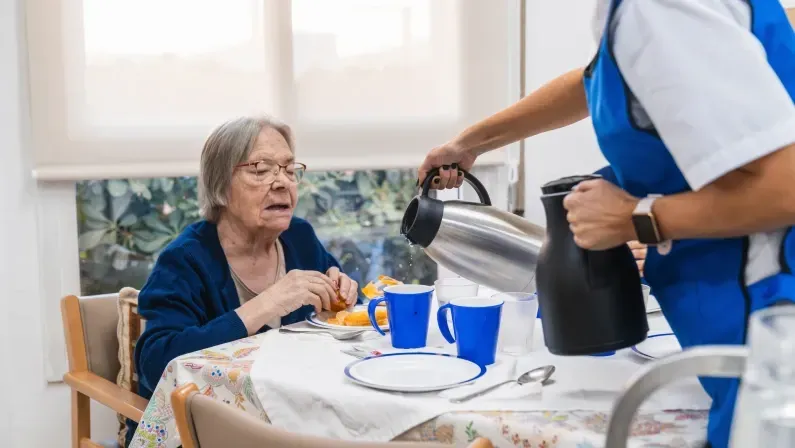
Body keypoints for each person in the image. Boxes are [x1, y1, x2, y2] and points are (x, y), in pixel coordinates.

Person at [418, 1, 795, 446]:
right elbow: (596, 80)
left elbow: (786, 187)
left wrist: (637, 217)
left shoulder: (656, 8)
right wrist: (471, 142)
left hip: (770, 323)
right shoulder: (635, 14)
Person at [129, 116, 359, 445]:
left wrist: (344, 296)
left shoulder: (300, 237)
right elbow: (157, 363)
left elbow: (345, 316)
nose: (282, 182)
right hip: (210, 435)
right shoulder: (185, 259)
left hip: (291, 419)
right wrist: (266, 304)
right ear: (220, 185)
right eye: (261, 169)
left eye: (289, 169)